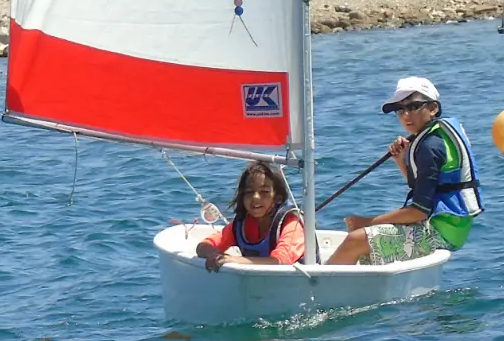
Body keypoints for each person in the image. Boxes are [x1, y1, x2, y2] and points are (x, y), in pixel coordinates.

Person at [328, 77, 484, 265]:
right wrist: (401, 160)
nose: (405, 115)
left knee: (356, 240)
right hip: (454, 229)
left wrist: (368, 221)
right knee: (366, 243)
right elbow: (426, 191)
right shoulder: (436, 136)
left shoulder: (429, 146)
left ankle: (319, 289)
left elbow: (419, 212)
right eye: (400, 110)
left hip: (440, 233)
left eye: (413, 107)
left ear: (433, 108)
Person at [195, 159, 305, 271]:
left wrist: (233, 260)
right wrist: (215, 255)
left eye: (264, 192)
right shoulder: (242, 225)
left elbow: (280, 261)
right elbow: (203, 246)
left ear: (278, 197)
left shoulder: (291, 223)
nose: (255, 197)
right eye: (249, 192)